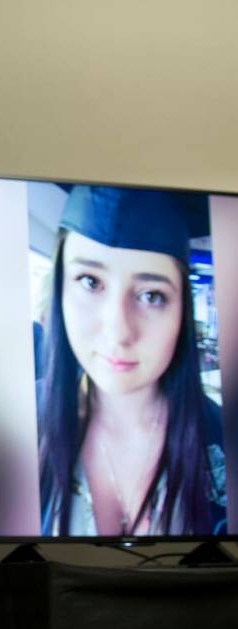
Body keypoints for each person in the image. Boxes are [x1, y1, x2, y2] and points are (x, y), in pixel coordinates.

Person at [38, 185, 226, 537]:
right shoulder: (9, 432)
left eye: (152, 295)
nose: (119, 331)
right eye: (90, 281)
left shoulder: (224, 441)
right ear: (60, 290)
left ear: (182, 311)